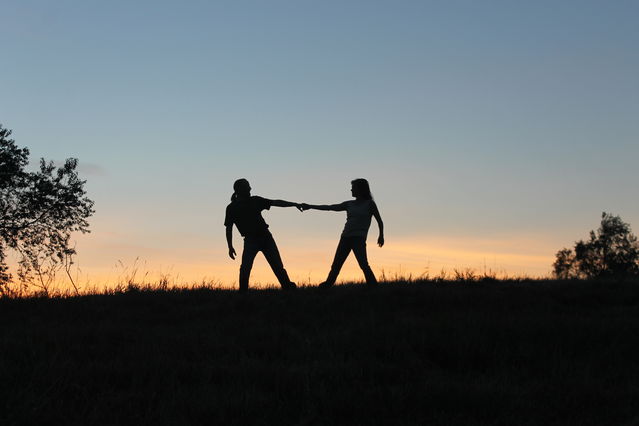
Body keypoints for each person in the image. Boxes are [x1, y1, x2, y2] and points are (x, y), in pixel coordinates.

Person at [301, 178, 384, 288]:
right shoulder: (349, 204)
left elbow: (379, 221)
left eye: (353, 188)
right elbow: (330, 207)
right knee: (336, 264)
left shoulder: (370, 204)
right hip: (345, 237)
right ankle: (328, 284)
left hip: (359, 238)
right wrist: (310, 206)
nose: (351, 190)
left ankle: (373, 285)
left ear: (360, 189)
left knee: (363, 264)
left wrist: (381, 236)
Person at [224, 178, 301, 292]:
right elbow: (229, 228)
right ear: (239, 189)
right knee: (245, 268)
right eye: (247, 186)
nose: (250, 188)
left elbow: (276, 202)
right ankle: (243, 293)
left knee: (277, 266)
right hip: (250, 241)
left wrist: (294, 204)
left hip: (266, 238)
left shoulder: (255, 200)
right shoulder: (232, 208)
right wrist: (230, 247)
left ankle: (288, 288)